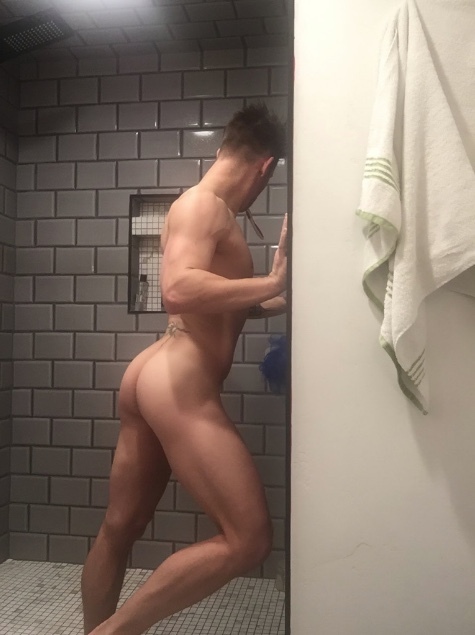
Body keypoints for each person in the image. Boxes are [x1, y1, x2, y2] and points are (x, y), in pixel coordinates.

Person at [81, 102, 288, 635]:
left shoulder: (202, 209)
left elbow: (214, 300)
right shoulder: (204, 206)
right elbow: (178, 289)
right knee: (249, 539)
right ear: (265, 167)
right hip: (180, 379)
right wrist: (270, 281)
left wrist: (276, 298)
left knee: (120, 526)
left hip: (155, 371)